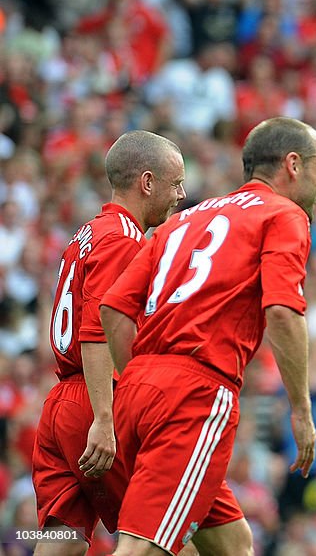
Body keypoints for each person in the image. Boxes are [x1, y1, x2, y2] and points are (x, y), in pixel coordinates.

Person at [99, 117, 316, 556]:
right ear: (293, 165)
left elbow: (113, 308)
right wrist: (301, 409)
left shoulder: (181, 221)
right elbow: (282, 311)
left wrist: (143, 379)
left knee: (233, 544)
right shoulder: (284, 215)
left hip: (137, 389)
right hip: (195, 393)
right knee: (142, 546)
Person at [32, 130, 186, 556]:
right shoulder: (124, 237)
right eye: (176, 183)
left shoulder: (88, 232)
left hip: (61, 403)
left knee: (59, 541)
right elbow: (98, 328)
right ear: (147, 182)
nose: (181, 194)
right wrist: (104, 418)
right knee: (170, 541)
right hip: (100, 402)